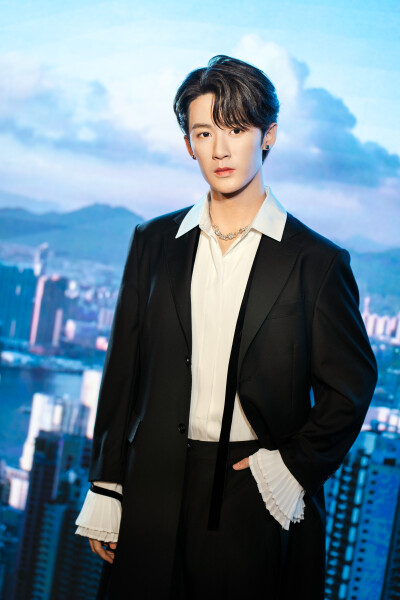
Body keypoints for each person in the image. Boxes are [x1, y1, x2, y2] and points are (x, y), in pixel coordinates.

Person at [75, 55, 378, 600]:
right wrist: (107, 483)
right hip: (154, 485)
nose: (220, 149)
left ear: (268, 136)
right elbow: (124, 371)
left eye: (236, 129)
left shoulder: (316, 262)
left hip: (253, 489)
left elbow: (351, 388)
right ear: (188, 144)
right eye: (204, 132)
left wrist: (289, 468)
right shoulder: (153, 242)